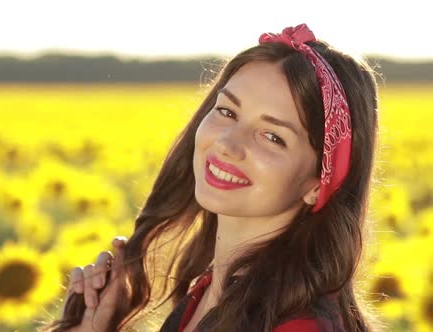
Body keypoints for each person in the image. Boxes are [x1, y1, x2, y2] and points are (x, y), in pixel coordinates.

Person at [42, 23, 381, 332]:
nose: (227, 144)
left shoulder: (298, 326)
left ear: (319, 183)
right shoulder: (207, 295)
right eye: (227, 111)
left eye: (273, 137)